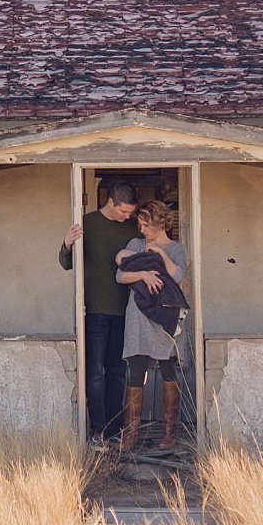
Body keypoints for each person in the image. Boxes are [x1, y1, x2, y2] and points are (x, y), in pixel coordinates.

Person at [59, 179, 139, 440]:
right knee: (94, 372)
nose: (127, 217)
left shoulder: (131, 230)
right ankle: (97, 430)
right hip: (94, 310)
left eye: (130, 212)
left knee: (116, 372)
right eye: (123, 211)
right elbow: (65, 264)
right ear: (110, 202)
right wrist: (67, 244)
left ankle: (115, 430)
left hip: (126, 310)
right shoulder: (87, 224)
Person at [115, 200, 189, 455]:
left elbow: (178, 276)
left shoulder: (177, 249)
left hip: (164, 318)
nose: (142, 230)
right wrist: (144, 275)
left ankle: (170, 433)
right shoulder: (135, 245)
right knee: (135, 372)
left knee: (169, 370)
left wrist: (161, 254)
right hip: (138, 317)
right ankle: (131, 434)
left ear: (159, 223)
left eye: (146, 225)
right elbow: (120, 275)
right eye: (140, 225)